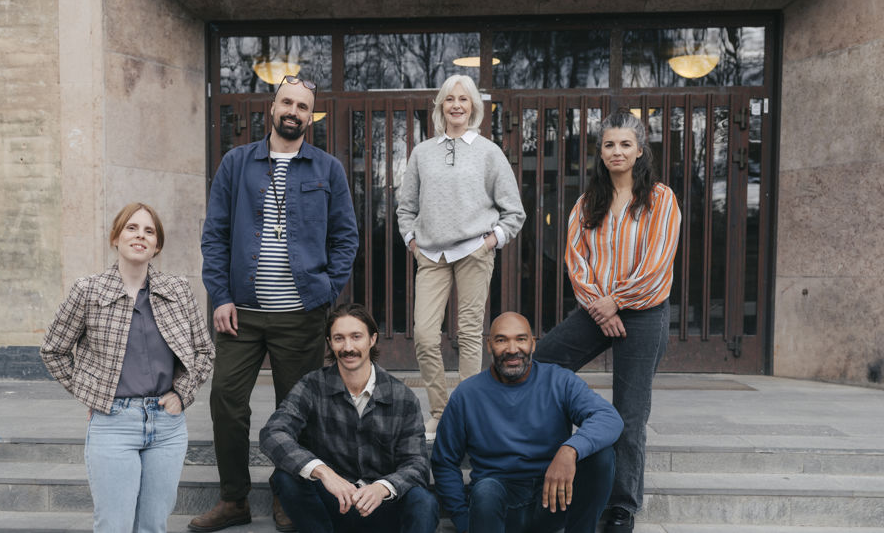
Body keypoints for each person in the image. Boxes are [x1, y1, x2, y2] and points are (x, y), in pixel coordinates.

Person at [191, 75, 359, 532]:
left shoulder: (327, 169)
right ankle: (233, 500)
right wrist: (220, 296)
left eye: (303, 106)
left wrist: (325, 293)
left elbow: (346, 237)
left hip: (301, 316)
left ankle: (288, 494)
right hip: (240, 313)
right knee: (226, 400)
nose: (293, 111)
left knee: (297, 411)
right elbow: (216, 234)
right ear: (272, 107)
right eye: (287, 102)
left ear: (311, 116)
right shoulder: (236, 163)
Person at [533, 111, 681, 533]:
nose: (617, 152)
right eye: (609, 145)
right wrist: (601, 307)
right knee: (541, 366)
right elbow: (575, 260)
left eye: (625, 145)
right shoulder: (587, 202)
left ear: (639, 150)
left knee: (630, 414)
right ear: (600, 153)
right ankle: (541, 462)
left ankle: (620, 506)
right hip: (596, 308)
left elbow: (657, 265)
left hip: (645, 310)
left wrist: (617, 303)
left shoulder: (660, 199)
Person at [40, 202, 215, 533]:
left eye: (149, 231)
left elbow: (203, 350)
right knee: (114, 526)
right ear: (116, 238)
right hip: (114, 423)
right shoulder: (88, 290)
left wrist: (183, 393)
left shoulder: (177, 290)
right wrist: (91, 392)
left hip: (167, 426)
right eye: (132, 228)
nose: (140, 236)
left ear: (157, 245)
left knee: (153, 525)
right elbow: (54, 350)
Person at [395, 74, 525, 440]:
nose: (456, 105)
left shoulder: (489, 152)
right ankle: (439, 410)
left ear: (473, 107)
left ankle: (466, 416)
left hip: (473, 251)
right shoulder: (423, 152)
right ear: (440, 106)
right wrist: (412, 242)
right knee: (423, 334)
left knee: (469, 335)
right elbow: (406, 208)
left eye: (463, 99)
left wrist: (491, 242)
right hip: (431, 255)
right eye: (449, 99)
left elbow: (514, 211)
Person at [431, 312, 622, 533]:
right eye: (502, 340)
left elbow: (608, 418)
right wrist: (463, 519)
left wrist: (570, 449)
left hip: (553, 498)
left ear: (533, 344)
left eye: (521, 339)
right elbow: (444, 461)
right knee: (486, 490)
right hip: (498, 506)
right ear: (489, 345)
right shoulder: (467, 394)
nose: (512, 349)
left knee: (602, 456)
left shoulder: (559, 380)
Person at [260, 303, 438, 533]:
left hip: (381, 507)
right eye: (339, 338)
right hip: (334, 506)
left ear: (372, 339)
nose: (348, 347)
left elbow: (417, 465)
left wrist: (382, 487)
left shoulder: (402, 396)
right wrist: (323, 472)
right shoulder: (312, 386)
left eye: (356, 337)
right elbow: (273, 433)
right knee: (286, 478)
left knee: (423, 501)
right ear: (329, 343)